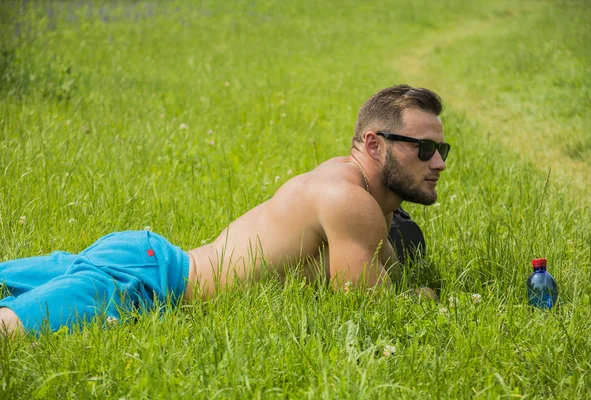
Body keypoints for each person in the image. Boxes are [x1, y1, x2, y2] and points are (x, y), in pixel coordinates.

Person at [0, 84, 450, 335]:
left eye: (442, 147)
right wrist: (423, 299)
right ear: (373, 143)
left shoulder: (347, 183)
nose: (439, 162)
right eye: (425, 147)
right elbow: (368, 313)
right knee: (12, 330)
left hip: (145, 258)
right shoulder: (348, 200)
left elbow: (381, 264)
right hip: (147, 284)